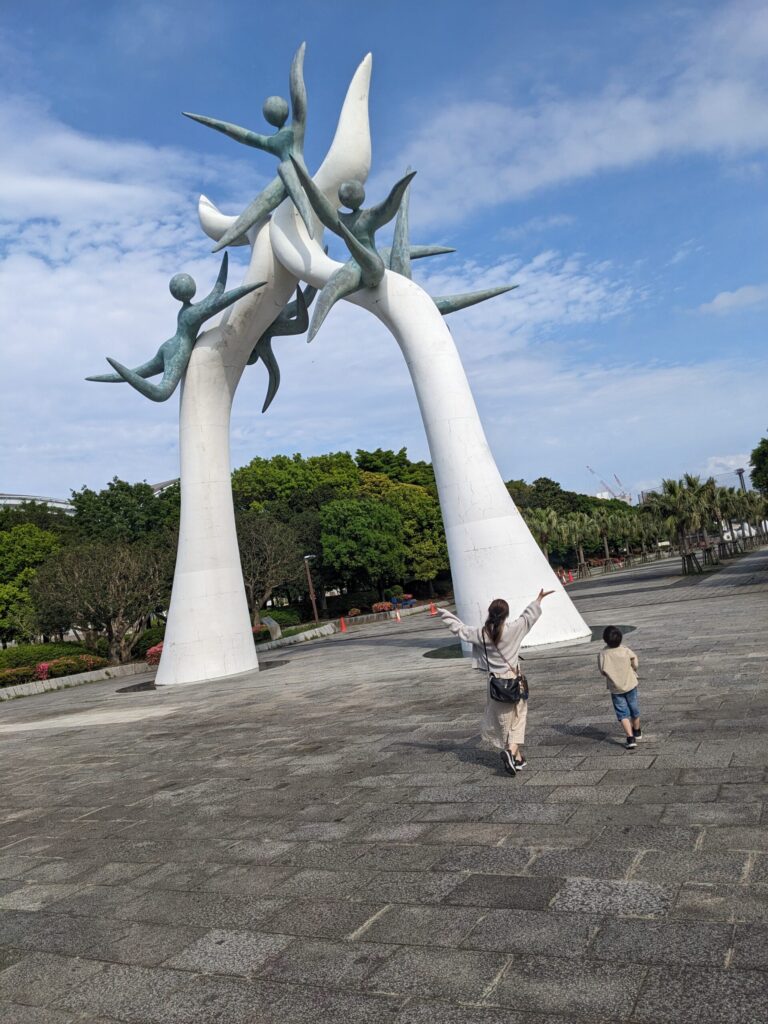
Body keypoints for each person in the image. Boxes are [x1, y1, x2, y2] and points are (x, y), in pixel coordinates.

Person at [439, 590, 553, 777]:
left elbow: (459, 629)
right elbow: (528, 617)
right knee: (519, 716)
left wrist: (444, 613)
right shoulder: (513, 629)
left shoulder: (481, 634)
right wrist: (538, 599)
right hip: (514, 679)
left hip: (494, 683)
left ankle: (517, 758)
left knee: (504, 721)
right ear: (506, 614)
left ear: (489, 614)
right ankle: (511, 751)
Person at [598, 625, 641, 749]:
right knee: (634, 709)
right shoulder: (625, 650)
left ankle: (630, 737)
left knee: (622, 713)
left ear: (605, 640)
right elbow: (634, 660)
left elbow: (602, 671)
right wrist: (633, 668)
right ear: (620, 638)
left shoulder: (603, 654)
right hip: (630, 684)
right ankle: (637, 731)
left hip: (615, 688)